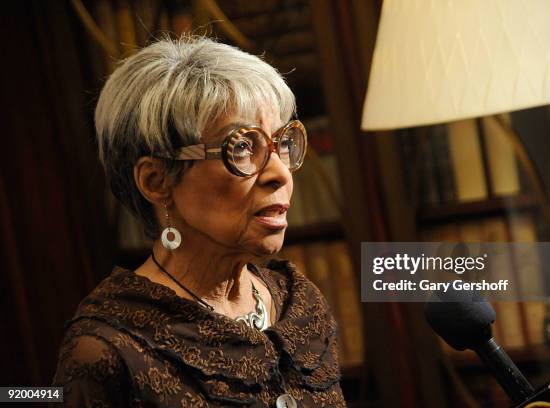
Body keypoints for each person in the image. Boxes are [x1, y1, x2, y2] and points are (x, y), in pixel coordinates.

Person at [52, 36, 346, 407]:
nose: (280, 174)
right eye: (241, 146)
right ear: (157, 181)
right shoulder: (107, 349)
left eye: (282, 142)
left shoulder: (298, 305)